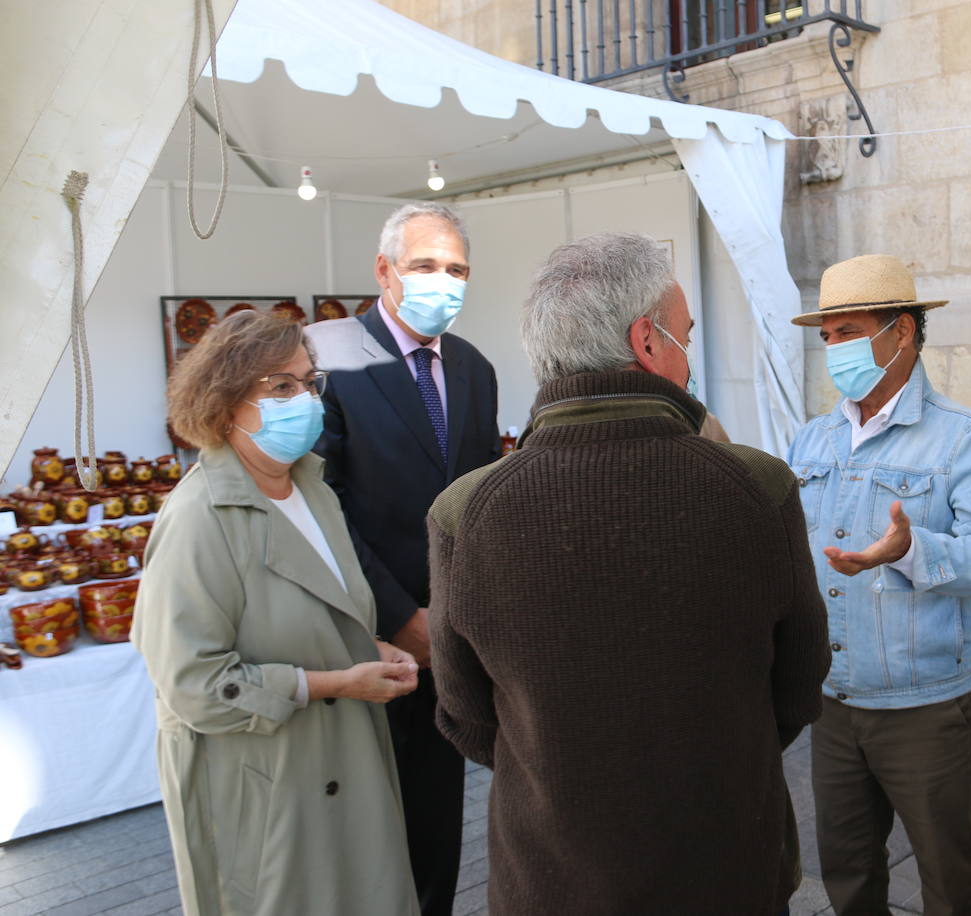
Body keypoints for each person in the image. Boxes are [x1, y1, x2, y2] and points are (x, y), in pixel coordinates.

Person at [426, 232, 831, 915]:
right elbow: (799, 684)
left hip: (549, 881)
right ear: (649, 342)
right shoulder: (757, 488)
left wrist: (562, 768)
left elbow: (464, 716)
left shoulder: (465, 513)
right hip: (727, 867)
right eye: (686, 335)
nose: (689, 355)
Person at [132, 311, 420, 916]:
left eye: (309, 382)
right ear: (226, 403)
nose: (305, 399)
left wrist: (369, 644)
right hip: (265, 793)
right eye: (281, 386)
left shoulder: (312, 488)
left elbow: (316, 606)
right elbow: (195, 686)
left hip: (343, 766)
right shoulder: (199, 519)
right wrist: (336, 682)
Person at [787, 254, 971, 916]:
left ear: (902, 334)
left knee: (949, 875)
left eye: (850, 331)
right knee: (847, 871)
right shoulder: (810, 442)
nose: (835, 349)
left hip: (926, 707)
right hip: (834, 702)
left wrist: (912, 549)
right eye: (828, 335)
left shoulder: (961, 438)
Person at [305, 201, 500, 915]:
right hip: (360, 637)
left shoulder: (475, 368)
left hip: (446, 640)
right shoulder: (324, 356)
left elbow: (478, 498)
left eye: (456, 270)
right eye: (424, 266)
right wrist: (397, 613)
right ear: (385, 271)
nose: (441, 282)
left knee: (433, 829)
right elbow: (319, 505)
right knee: (358, 834)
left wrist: (455, 614)